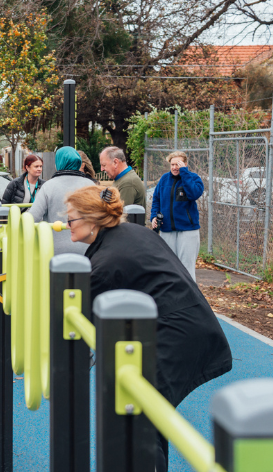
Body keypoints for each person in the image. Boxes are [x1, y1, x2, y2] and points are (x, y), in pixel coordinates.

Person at [65, 185, 231, 472]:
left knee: (139, 417)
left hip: (177, 334)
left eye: (71, 219)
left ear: (92, 220)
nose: (66, 225)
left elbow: (77, 314)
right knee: (146, 415)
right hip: (186, 324)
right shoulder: (131, 233)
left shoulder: (107, 261)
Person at [28, 146, 95, 254]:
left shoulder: (48, 186)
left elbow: (32, 218)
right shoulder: (90, 185)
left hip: (54, 250)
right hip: (87, 250)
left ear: (59, 163)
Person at [150, 150, 203, 281]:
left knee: (186, 267)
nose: (174, 167)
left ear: (184, 164)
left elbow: (194, 193)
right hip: (167, 229)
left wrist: (184, 173)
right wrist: (154, 217)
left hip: (188, 230)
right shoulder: (164, 179)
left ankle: (190, 298)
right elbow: (156, 199)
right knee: (168, 265)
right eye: (172, 164)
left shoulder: (193, 178)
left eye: (178, 164)